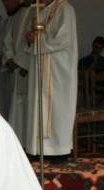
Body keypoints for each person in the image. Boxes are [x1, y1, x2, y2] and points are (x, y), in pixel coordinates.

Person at [24, 0, 78, 162]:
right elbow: (33, 39)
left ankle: (58, 150)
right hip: (40, 68)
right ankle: (38, 148)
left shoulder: (65, 9)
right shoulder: (39, 11)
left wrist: (38, 40)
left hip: (58, 70)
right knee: (38, 105)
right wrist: (30, 38)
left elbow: (64, 39)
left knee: (58, 109)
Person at [1, 0, 32, 147]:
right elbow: (7, 40)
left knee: (29, 108)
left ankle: (30, 145)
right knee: (18, 109)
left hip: (29, 69)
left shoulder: (38, 12)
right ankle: (19, 145)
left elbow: (33, 42)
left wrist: (20, 61)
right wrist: (9, 59)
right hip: (17, 68)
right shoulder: (15, 16)